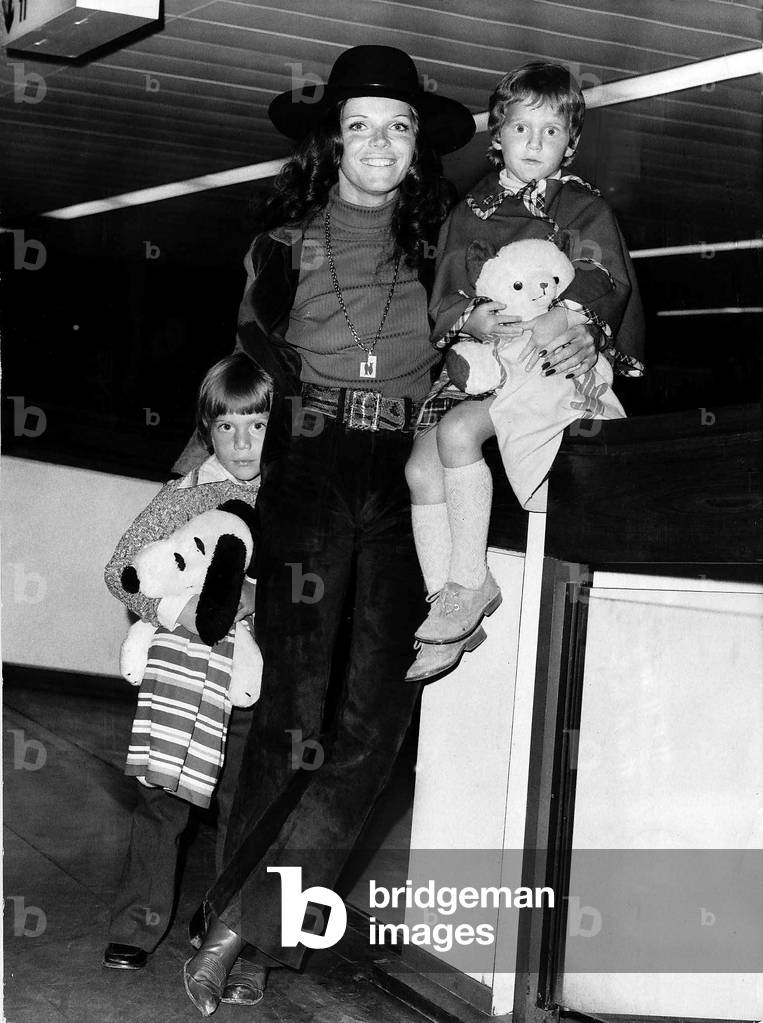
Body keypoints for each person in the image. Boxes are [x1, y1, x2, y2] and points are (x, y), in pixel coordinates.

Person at [181, 45, 476, 1016]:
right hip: (310, 466)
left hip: (404, 480)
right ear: (332, 142)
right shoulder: (284, 246)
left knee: (371, 729)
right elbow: (241, 372)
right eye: (361, 125)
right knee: (291, 718)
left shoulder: (449, 248)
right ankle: (241, 928)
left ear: (415, 148)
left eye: (397, 126)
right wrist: (195, 487)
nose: (380, 143)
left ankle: (244, 925)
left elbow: (513, 331)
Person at [404, 61, 645, 682]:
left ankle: (468, 583)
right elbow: (448, 294)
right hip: (486, 362)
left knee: (457, 434)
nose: (534, 144)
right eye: (521, 129)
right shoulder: (470, 211)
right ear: (497, 136)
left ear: (572, 142)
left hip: (546, 371)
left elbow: (607, 281)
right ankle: (450, 594)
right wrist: (472, 319)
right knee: (418, 466)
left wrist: (570, 318)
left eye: (551, 131)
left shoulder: (585, 208)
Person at [102, 354, 271, 1000]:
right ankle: (138, 922)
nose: (243, 442)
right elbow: (121, 569)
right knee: (161, 796)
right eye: (227, 428)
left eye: (256, 425)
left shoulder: (288, 494)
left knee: (241, 802)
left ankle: (222, 924)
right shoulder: (185, 493)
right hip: (182, 674)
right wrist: (171, 610)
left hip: (249, 676)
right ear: (207, 429)